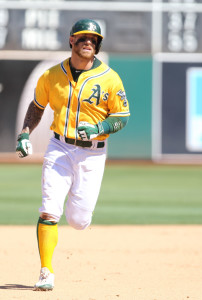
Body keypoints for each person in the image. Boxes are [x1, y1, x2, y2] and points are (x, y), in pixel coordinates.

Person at [16, 18, 130, 291]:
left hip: (93, 154)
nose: (88, 42)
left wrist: (99, 127)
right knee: (49, 209)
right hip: (60, 148)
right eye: (82, 38)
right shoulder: (52, 75)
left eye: (93, 39)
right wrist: (24, 133)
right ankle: (46, 271)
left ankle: (76, 216)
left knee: (79, 221)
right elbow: (37, 106)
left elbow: (123, 116)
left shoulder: (110, 78)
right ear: (72, 41)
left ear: (98, 45)